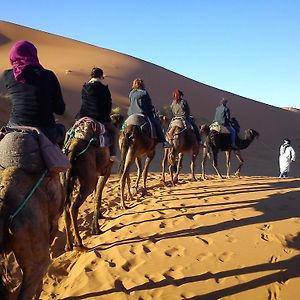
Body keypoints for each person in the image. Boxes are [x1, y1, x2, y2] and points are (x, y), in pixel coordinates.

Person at [2, 40, 66, 145]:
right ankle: (59, 159)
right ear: (33, 54)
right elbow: (60, 110)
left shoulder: (7, 75)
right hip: (45, 130)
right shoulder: (49, 75)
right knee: (61, 129)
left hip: (14, 127)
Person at [76, 67, 118, 162]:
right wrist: (107, 116)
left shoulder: (85, 87)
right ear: (101, 76)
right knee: (114, 131)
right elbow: (108, 105)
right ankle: (113, 154)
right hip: (100, 117)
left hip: (84, 117)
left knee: (71, 132)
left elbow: (83, 103)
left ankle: (65, 151)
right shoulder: (104, 88)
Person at [128, 78, 171, 148]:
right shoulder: (144, 93)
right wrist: (152, 113)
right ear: (142, 85)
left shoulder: (131, 93)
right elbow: (149, 105)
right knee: (157, 124)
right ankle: (164, 142)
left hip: (131, 114)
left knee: (124, 126)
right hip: (142, 113)